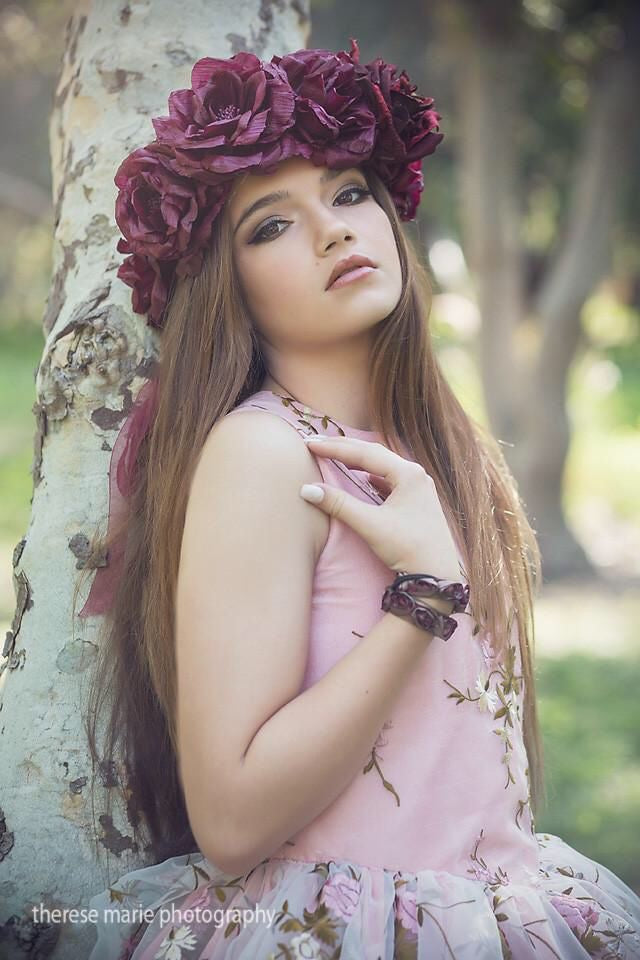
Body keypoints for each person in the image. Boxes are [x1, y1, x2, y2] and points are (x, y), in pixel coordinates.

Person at [77, 40, 640, 960]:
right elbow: (231, 819)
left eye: (348, 194)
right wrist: (421, 597)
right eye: (271, 225)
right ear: (226, 286)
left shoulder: (438, 445)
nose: (334, 231)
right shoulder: (263, 454)